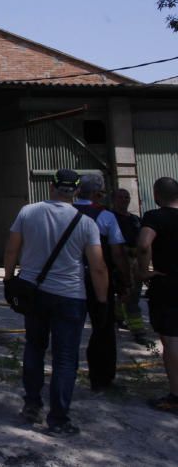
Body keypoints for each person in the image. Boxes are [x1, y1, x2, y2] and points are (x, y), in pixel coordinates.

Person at [4, 169, 109, 435]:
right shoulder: (86, 223)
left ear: (51, 186)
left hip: (33, 293)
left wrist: (8, 280)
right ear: (76, 190)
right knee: (64, 359)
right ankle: (59, 419)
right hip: (70, 296)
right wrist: (103, 300)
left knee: (34, 347)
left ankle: (31, 404)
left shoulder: (28, 211)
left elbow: (11, 249)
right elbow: (98, 268)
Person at [74, 174, 130, 390]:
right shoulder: (105, 217)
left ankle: (65, 375)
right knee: (103, 329)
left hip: (69, 279)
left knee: (68, 328)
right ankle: (102, 379)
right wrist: (126, 280)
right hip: (99, 278)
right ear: (99, 193)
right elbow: (117, 253)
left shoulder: (67, 213)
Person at [137, 177, 178, 414]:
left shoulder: (155, 217)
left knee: (172, 339)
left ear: (156, 195)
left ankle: (175, 395)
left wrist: (144, 271)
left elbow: (143, 244)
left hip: (168, 284)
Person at [109, 187, 150, 345]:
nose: (124, 200)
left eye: (126, 197)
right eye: (121, 197)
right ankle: (132, 326)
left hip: (134, 262)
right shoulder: (109, 217)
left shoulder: (135, 219)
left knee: (132, 295)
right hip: (116, 262)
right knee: (124, 294)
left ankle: (128, 323)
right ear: (114, 199)